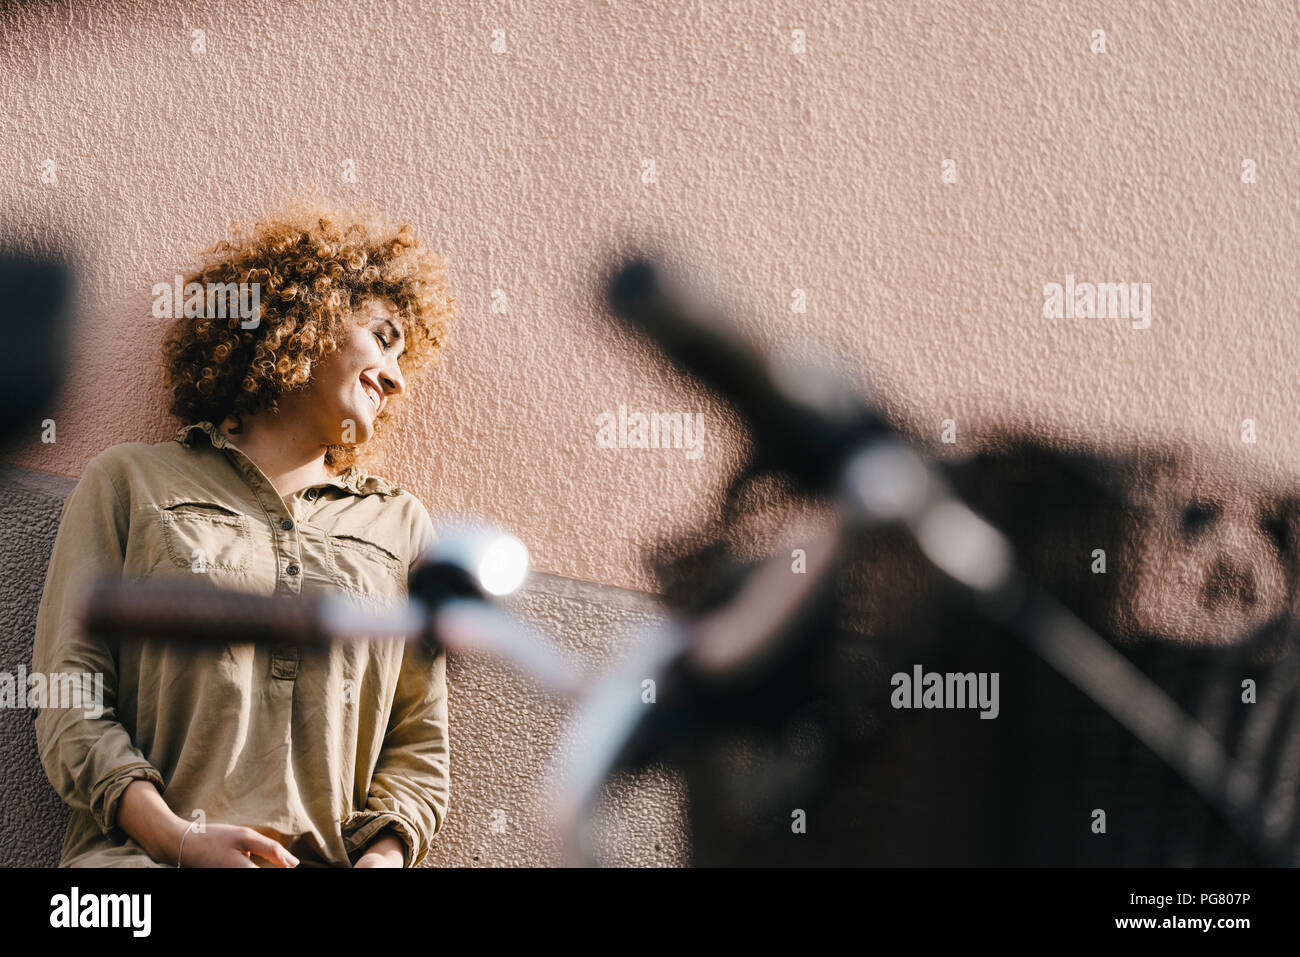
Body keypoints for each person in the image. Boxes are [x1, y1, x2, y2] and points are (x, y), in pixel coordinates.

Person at [32, 200, 456, 867]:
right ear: (306, 314)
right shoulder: (129, 483)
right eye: (383, 338)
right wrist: (179, 839)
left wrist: (382, 859)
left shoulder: (401, 525)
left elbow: (418, 743)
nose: (396, 377)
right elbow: (69, 697)